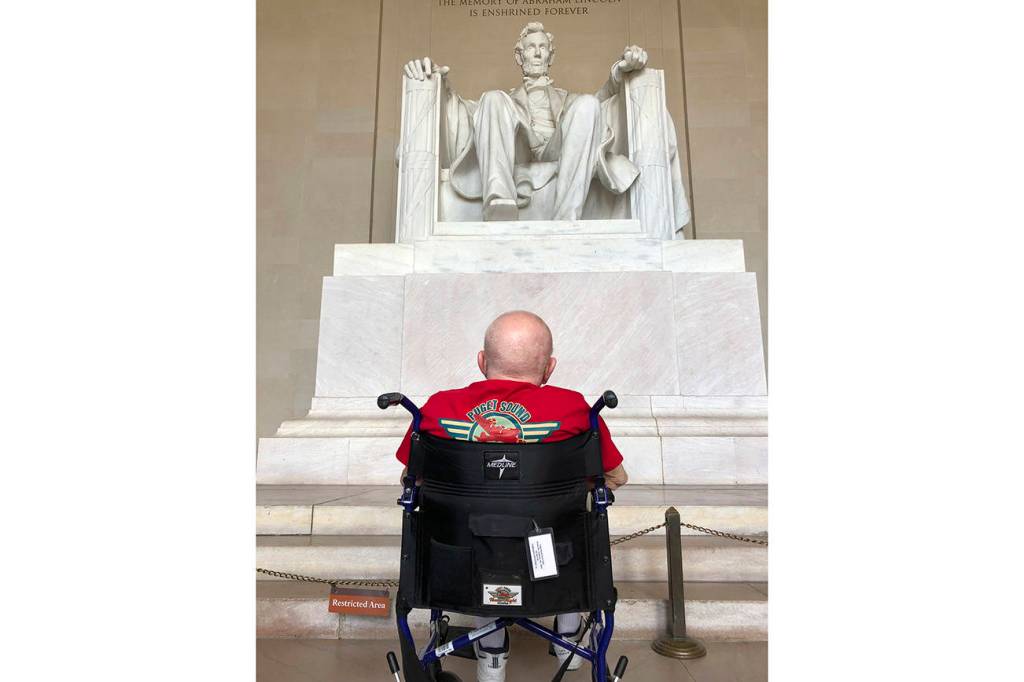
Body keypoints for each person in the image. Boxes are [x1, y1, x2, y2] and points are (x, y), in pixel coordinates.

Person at [395, 310, 628, 682]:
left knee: (481, 533)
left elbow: (412, 479)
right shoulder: (575, 411)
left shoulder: (437, 409)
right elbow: (616, 477)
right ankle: (569, 631)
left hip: (461, 564)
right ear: (549, 368)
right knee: (576, 514)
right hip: (553, 560)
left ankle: (490, 651)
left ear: (482, 362)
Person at [403, 22, 690, 228]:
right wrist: (439, 84)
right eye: (531, 48)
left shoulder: (569, 101)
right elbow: (464, 115)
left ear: (551, 56)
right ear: (520, 56)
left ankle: (566, 217)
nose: (538, 53)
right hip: (519, 144)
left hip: (558, 146)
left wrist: (619, 72)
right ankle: (499, 200)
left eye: (543, 48)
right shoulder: (503, 103)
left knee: (588, 104)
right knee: (491, 98)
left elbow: (601, 103)